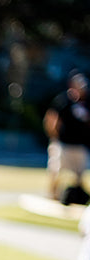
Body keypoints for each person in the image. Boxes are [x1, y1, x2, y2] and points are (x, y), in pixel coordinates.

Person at [43, 71, 90, 202]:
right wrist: (54, 137)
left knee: (79, 173)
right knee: (56, 170)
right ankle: (53, 195)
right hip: (63, 143)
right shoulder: (63, 100)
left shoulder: (86, 103)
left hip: (80, 144)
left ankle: (77, 196)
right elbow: (52, 119)